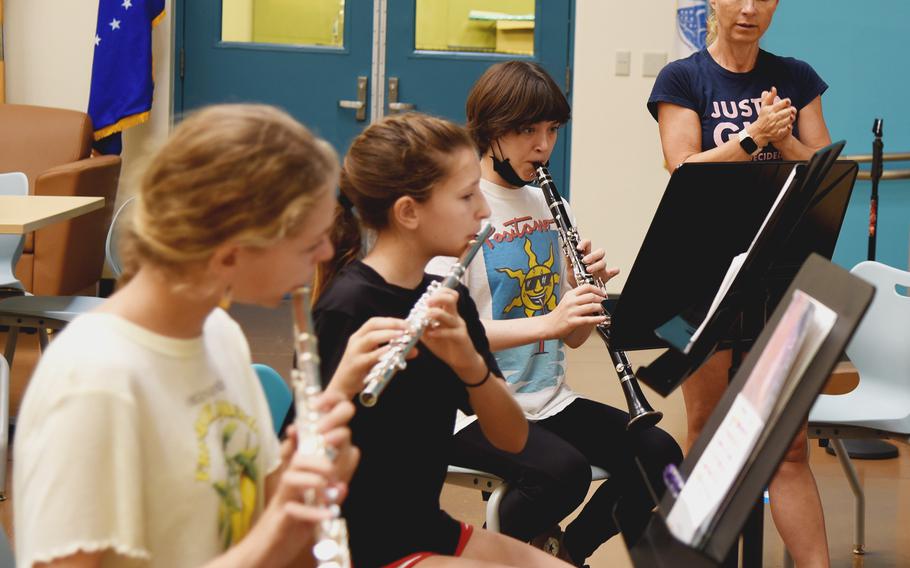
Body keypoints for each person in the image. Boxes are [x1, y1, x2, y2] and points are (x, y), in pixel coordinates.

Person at [12, 103, 400, 568]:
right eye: (308, 240)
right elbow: (264, 543)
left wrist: (300, 484)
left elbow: (246, 525)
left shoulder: (217, 333)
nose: (326, 251)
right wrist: (278, 534)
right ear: (229, 253)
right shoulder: (95, 381)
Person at [427, 61, 683, 567]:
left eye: (552, 130)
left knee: (659, 454)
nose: (543, 145)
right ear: (490, 131)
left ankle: (567, 553)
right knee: (560, 473)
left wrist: (583, 300)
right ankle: (492, 554)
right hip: (470, 410)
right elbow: (445, 332)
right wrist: (551, 320)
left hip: (549, 400)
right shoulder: (458, 209)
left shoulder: (550, 203)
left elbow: (569, 342)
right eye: (527, 131)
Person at [313, 112, 569, 567]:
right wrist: (345, 388)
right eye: (467, 196)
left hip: (424, 527)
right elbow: (302, 459)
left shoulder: (447, 298)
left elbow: (512, 439)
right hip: (356, 546)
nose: (485, 210)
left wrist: (471, 365)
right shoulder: (348, 306)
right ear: (409, 212)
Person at [648, 1, 833, 566]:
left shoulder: (796, 77)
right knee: (705, 433)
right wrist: (754, 137)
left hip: (782, 271)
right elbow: (682, 167)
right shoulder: (683, 77)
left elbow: (823, 165)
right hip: (699, 276)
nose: (750, 9)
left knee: (791, 446)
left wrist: (784, 139)